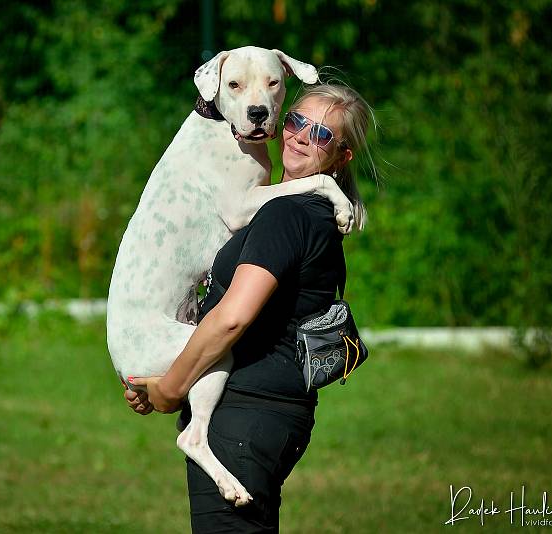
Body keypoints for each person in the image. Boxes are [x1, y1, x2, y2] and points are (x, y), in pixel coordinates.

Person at [125, 82, 375, 532]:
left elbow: (232, 318)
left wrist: (170, 390)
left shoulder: (286, 215)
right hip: (274, 416)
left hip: (244, 418)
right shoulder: (313, 214)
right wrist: (161, 371)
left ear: (341, 157)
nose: (299, 136)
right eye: (297, 122)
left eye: (319, 134)